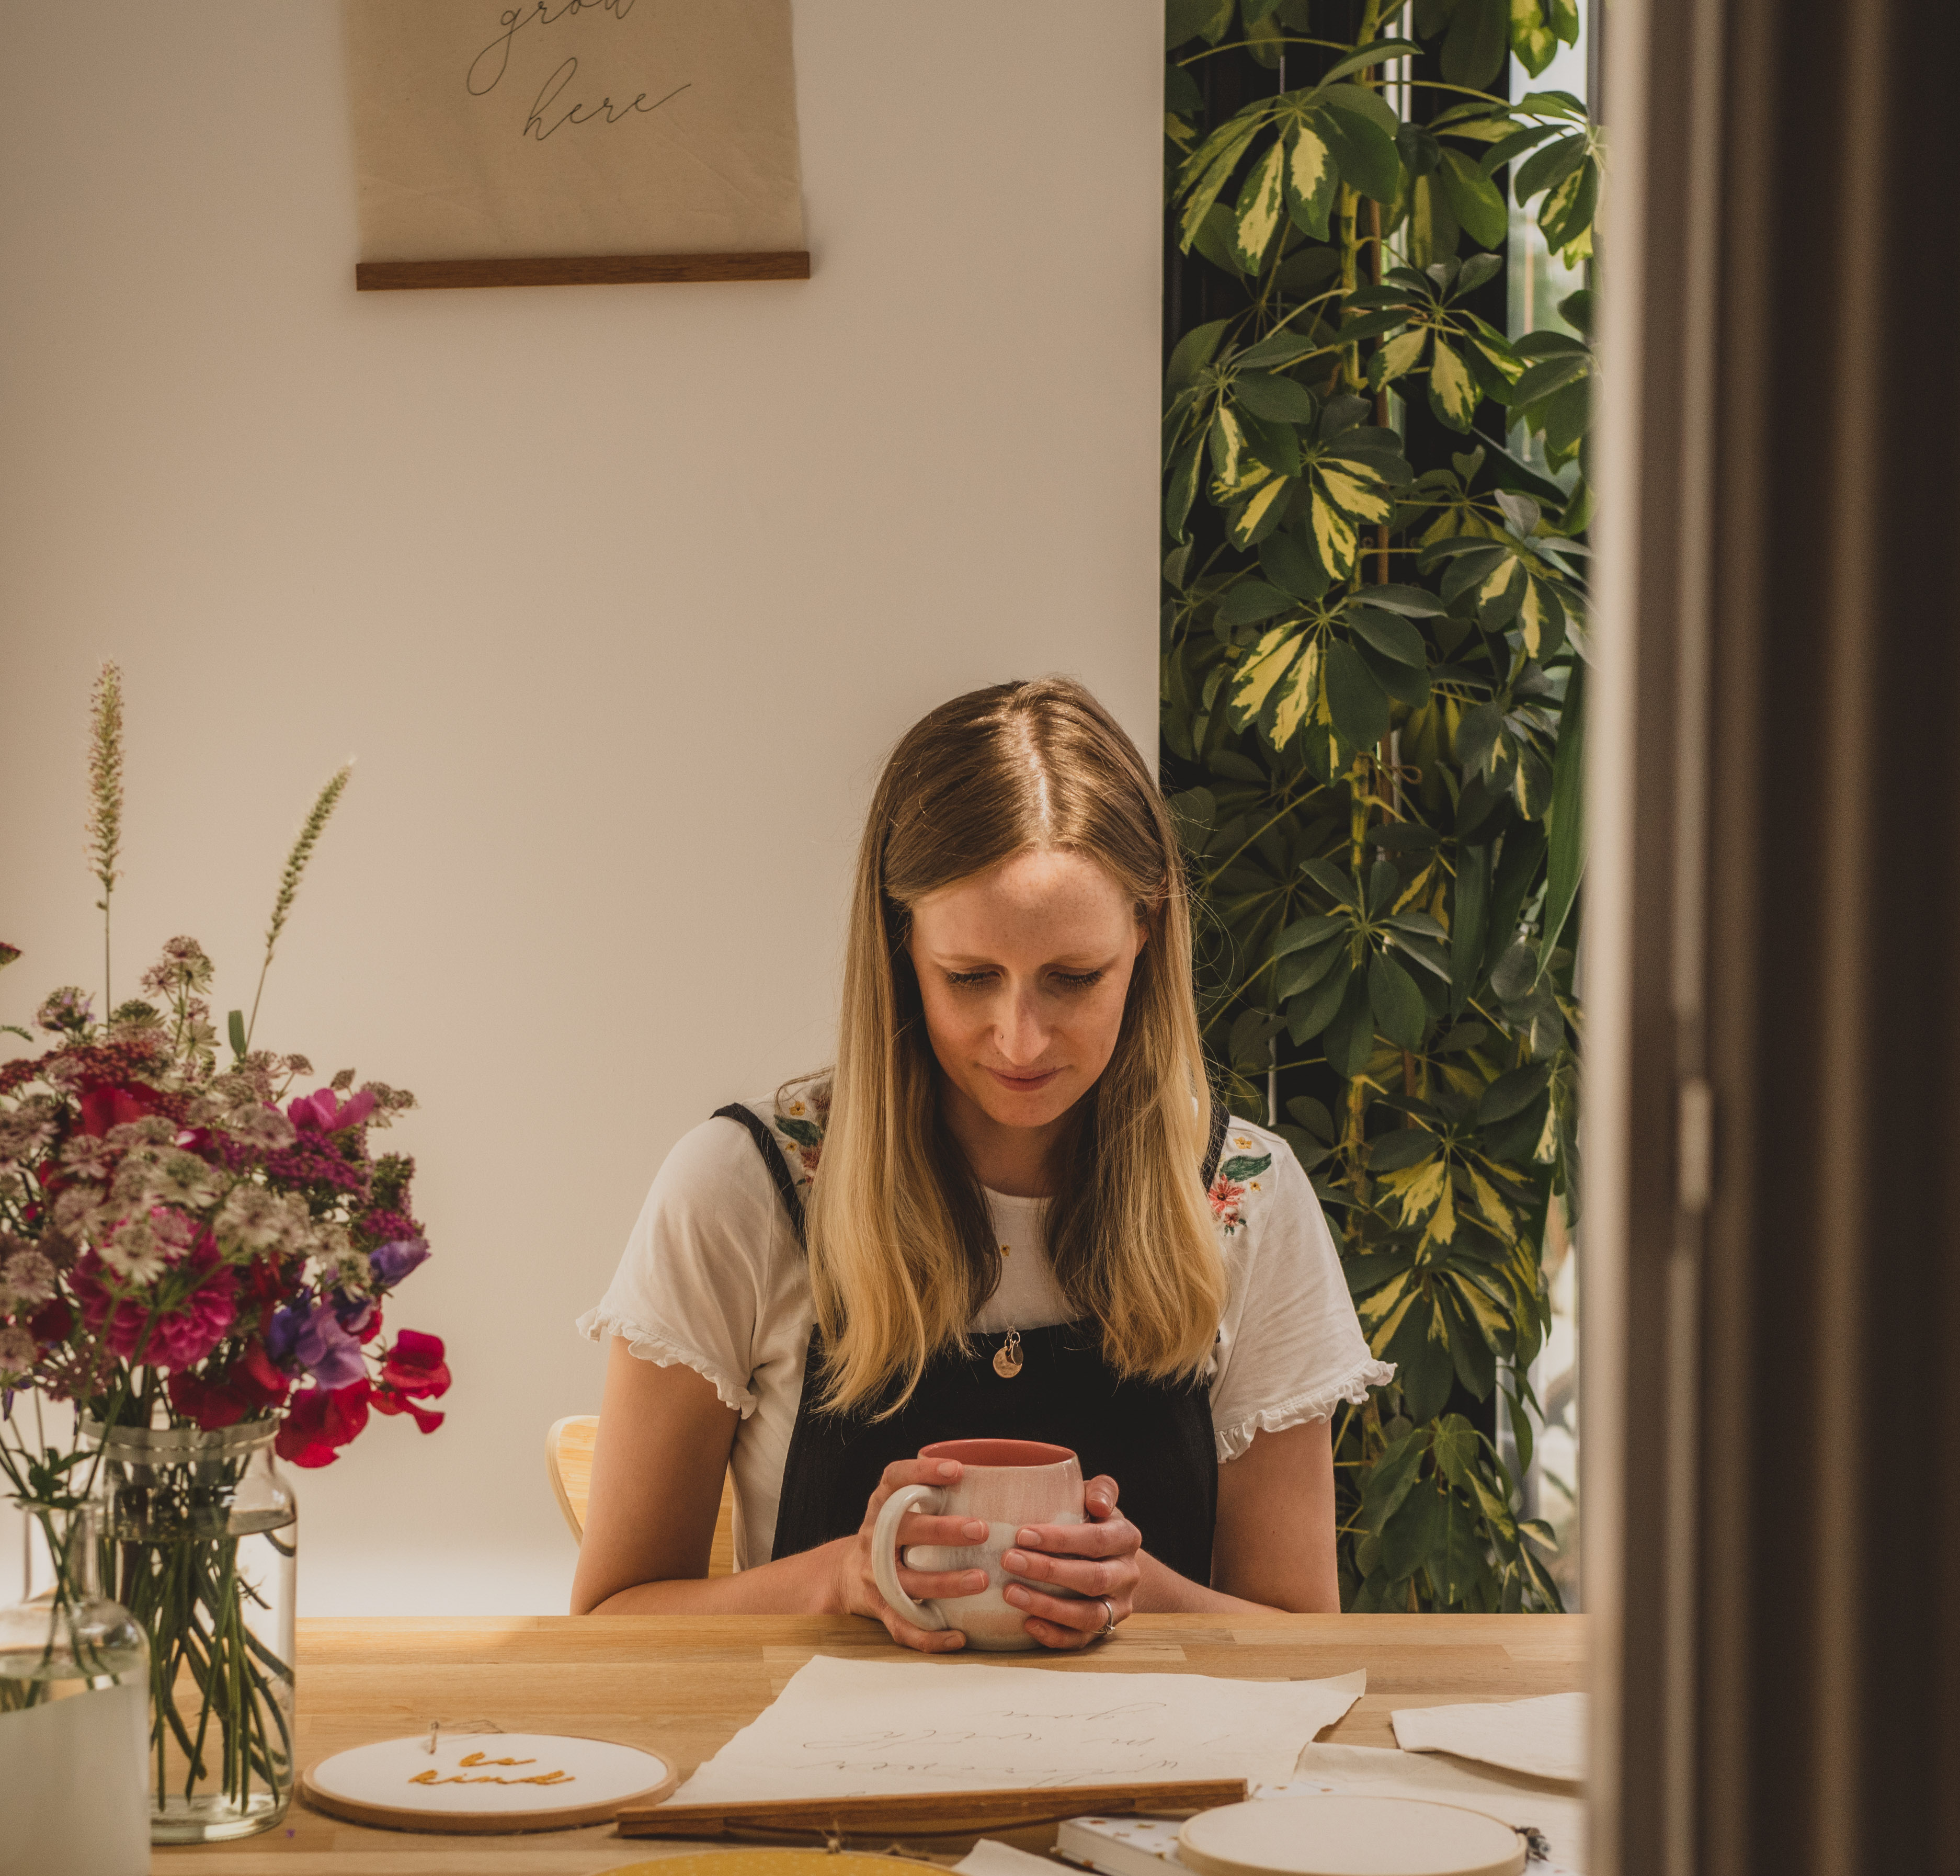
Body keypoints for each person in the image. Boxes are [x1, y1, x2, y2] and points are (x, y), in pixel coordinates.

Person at [568, 677, 1392, 1647]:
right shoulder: (745, 1186)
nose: (1020, 1039)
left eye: (1073, 980)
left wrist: (1144, 1590)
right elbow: (608, 1623)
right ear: (900, 947)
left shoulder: (1245, 1197)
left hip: (1147, 1792)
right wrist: (840, 1576)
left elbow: (1307, 1641)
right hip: (820, 1789)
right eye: (969, 979)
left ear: (1148, 936)